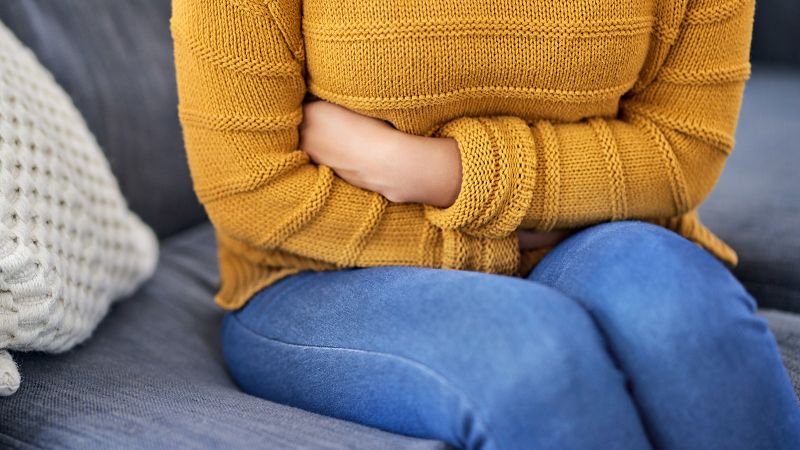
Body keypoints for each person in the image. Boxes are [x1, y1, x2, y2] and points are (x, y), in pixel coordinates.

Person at [171, 0, 800, 448]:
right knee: (532, 356)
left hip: (583, 236)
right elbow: (251, 186)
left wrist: (433, 171)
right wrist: (490, 244)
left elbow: (678, 152)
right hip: (318, 269)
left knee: (688, 313)